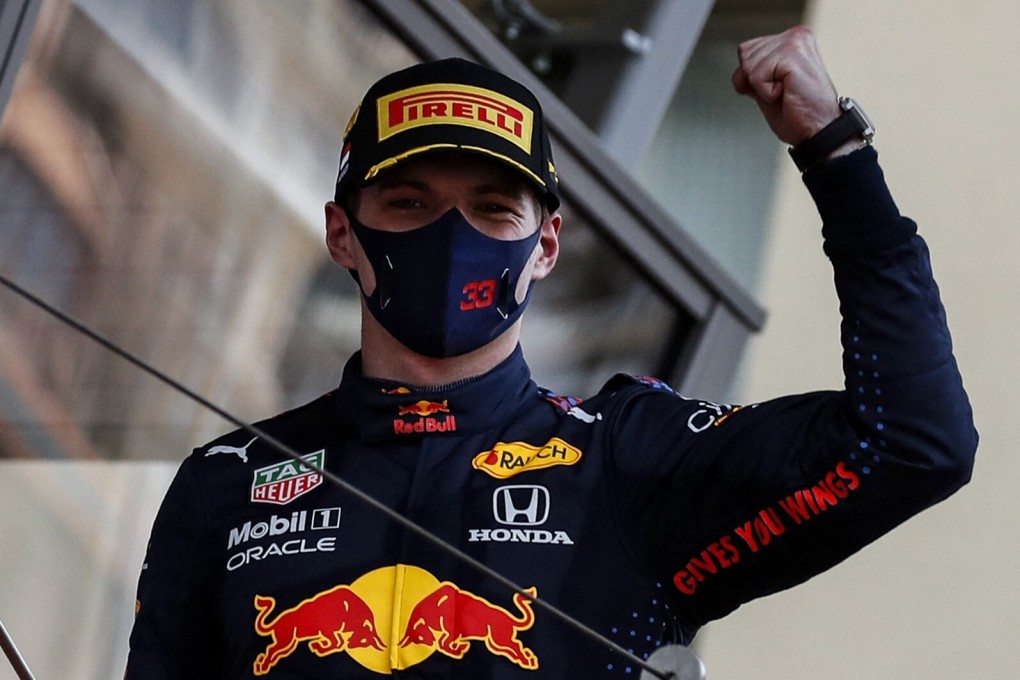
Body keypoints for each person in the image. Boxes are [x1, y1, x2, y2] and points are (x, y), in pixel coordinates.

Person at [125, 25, 977, 679]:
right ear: (343, 234)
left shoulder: (623, 460)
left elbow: (913, 441)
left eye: (494, 210)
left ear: (547, 246)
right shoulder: (227, 481)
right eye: (412, 203)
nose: (453, 235)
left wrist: (835, 153)